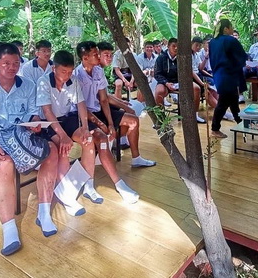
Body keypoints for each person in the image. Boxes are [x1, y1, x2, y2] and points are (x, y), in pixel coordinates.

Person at [0, 43, 61, 256]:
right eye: (6, 63)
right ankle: (9, 228)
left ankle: (44, 212)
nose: (11, 67)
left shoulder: (27, 85)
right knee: (3, 163)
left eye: (16, 63)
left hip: (23, 136)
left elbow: (33, 113)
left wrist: (35, 123)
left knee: (51, 151)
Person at [76, 41, 155, 177]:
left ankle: (136, 158)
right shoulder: (77, 76)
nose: (99, 56)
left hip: (99, 110)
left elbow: (104, 99)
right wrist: (103, 123)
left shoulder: (98, 71)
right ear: (85, 58)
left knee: (133, 120)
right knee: (107, 130)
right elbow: (81, 107)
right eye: (96, 54)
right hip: (85, 115)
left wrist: (111, 123)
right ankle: (102, 153)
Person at [36, 50, 98, 210]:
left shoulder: (73, 81)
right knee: (63, 147)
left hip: (66, 118)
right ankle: (65, 194)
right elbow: (47, 111)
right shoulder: (43, 82)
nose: (67, 75)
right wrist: (63, 136)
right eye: (63, 71)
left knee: (88, 141)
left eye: (70, 72)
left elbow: (81, 104)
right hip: (49, 123)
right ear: (54, 69)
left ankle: (89, 185)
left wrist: (85, 128)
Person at [209, 19, 248, 138]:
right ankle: (215, 129)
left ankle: (240, 122)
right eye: (231, 27)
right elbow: (242, 56)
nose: (233, 29)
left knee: (233, 99)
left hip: (219, 75)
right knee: (223, 102)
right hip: (228, 75)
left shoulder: (212, 42)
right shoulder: (230, 40)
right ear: (226, 29)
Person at [154, 38, 206, 123]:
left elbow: (187, 71)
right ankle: (161, 118)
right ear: (168, 46)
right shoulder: (161, 58)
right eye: (173, 46)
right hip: (165, 82)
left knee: (196, 88)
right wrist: (166, 83)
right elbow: (157, 74)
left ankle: (195, 115)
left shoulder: (182, 58)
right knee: (159, 91)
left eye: (178, 46)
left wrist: (184, 82)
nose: (176, 48)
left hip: (179, 81)